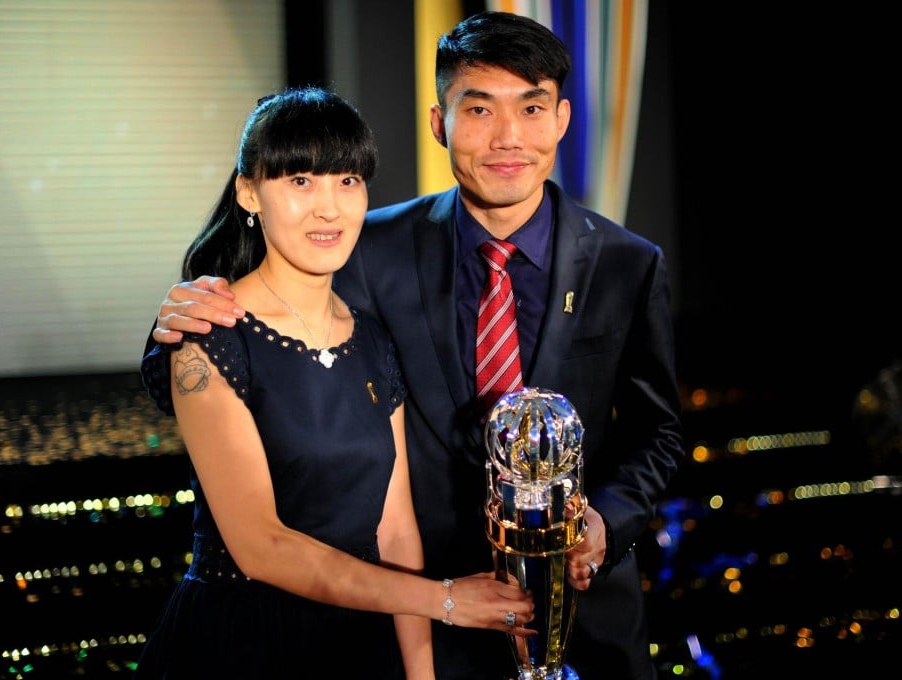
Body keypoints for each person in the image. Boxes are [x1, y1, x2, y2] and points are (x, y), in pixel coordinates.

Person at [145, 11, 683, 680]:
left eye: (531, 108)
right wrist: (175, 321)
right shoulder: (367, 246)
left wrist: (605, 523)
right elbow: (266, 307)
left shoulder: (629, 264)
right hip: (426, 614)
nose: (507, 137)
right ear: (440, 123)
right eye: (479, 109)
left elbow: (658, 432)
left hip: (583, 614)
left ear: (562, 120)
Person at [134, 86, 534, 680]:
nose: (329, 207)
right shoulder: (208, 335)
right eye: (301, 181)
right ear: (250, 192)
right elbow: (262, 546)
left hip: (359, 641)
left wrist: (419, 673)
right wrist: (447, 600)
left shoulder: (371, 338)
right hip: (244, 643)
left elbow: (396, 531)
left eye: (347, 181)